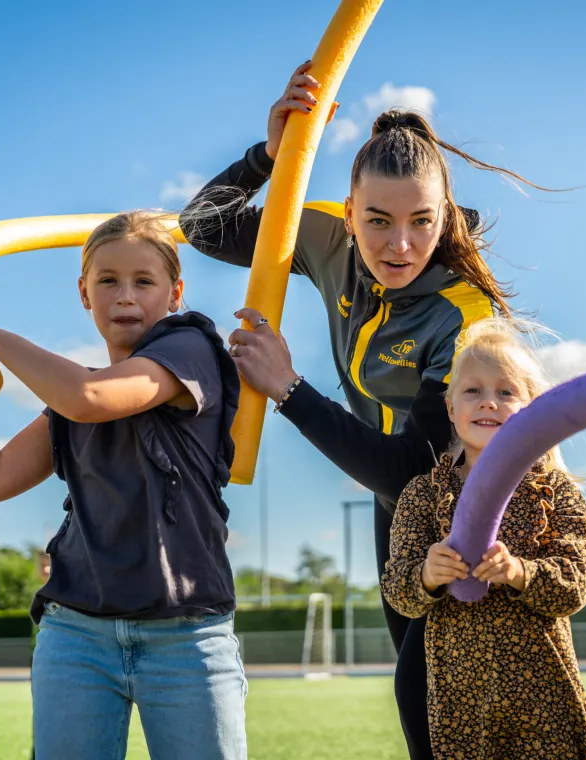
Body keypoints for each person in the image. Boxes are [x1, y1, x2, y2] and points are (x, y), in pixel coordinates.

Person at [179, 60, 556, 758]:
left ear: (445, 220)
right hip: (402, 512)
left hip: (470, 511)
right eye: (377, 221)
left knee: (434, 700)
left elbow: (416, 466)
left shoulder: (465, 315)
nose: (399, 244)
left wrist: (289, 390)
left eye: (421, 221)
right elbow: (201, 227)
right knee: (423, 716)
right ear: (349, 213)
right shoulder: (327, 237)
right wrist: (271, 155)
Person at [0, 211, 247, 760]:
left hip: (186, 636)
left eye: (144, 281)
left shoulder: (190, 348)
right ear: (84, 293)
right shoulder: (73, 397)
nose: (125, 296)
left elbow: (91, 399)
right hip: (75, 636)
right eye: (107, 281)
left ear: (175, 293)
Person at [381, 317, 586, 759]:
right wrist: (426, 574)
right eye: (473, 391)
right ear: (450, 408)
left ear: (531, 407)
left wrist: (520, 571)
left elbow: (577, 583)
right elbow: (397, 590)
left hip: (543, 700)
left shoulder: (555, 493)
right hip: (461, 707)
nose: (489, 403)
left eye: (505, 392)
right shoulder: (423, 495)